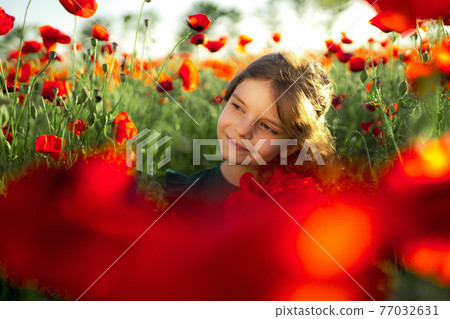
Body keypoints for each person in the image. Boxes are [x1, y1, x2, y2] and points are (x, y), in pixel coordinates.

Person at [165, 51, 336, 226]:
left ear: (292, 145)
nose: (242, 130)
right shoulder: (170, 198)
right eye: (238, 107)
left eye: (268, 126)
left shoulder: (301, 211)